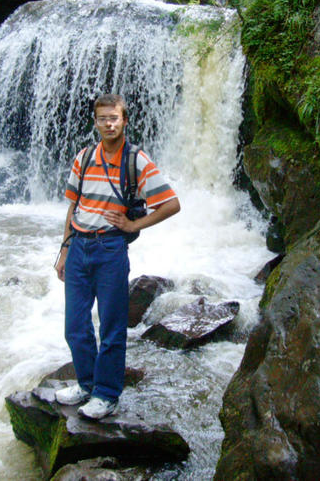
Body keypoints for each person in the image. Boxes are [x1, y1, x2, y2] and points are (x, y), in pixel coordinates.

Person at [54, 93, 180, 419]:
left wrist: (134, 223)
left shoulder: (136, 161)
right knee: (75, 326)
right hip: (79, 247)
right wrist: (64, 250)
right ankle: (86, 384)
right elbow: (73, 206)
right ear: (95, 122)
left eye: (114, 118)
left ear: (124, 120)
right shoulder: (84, 157)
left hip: (111, 249)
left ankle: (107, 395)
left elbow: (171, 203)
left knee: (111, 328)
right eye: (102, 118)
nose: (108, 124)